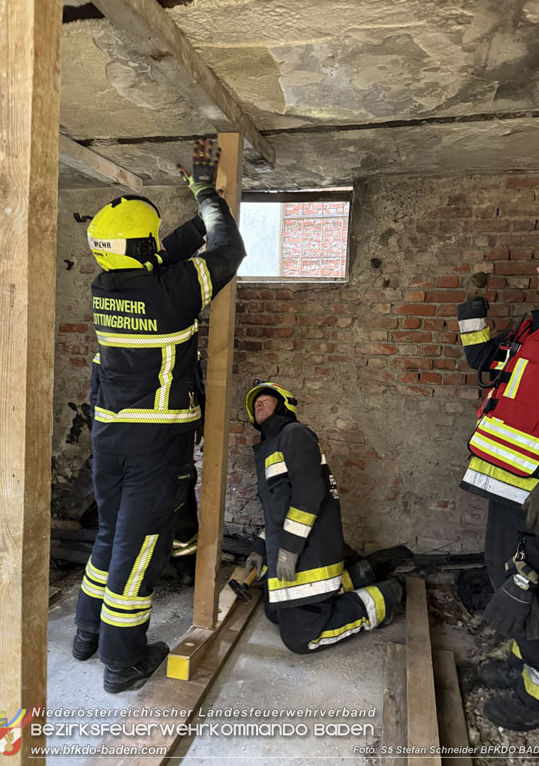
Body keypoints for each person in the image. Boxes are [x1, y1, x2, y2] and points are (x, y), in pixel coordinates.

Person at [73, 139, 245, 693]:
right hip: (154, 443)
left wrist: (196, 216)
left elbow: (162, 253)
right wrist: (204, 195)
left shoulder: (108, 283)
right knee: (139, 548)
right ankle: (122, 663)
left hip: (110, 434)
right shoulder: (170, 291)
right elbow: (230, 249)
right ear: (141, 248)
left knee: (109, 538)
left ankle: (86, 633)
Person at [457, 219, 539, 731]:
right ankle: (529, 669)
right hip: (511, 485)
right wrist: (472, 310)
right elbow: (486, 360)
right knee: (508, 577)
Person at [244, 380, 402, 654]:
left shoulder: (294, 434)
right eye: (255, 403)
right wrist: (260, 548)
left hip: (308, 550)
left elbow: (308, 495)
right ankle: (355, 578)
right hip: (294, 548)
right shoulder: (270, 448)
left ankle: (385, 597)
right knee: (274, 612)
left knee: (300, 638)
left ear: (283, 406)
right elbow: (277, 512)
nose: (258, 403)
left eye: (266, 399)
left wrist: (289, 550)